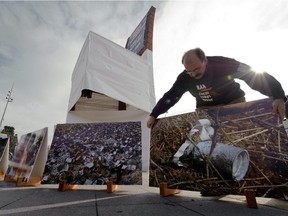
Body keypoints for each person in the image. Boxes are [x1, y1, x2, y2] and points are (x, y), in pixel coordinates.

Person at [147, 48, 286, 128]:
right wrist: (154, 114)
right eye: (190, 71)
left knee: (238, 128)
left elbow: (253, 75)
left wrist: (277, 95)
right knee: (208, 133)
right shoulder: (184, 78)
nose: (194, 74)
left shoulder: (223, 64)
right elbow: (171, 96)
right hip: (206, 107)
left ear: (205, 60)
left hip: (233, 100)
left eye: (197, 68)